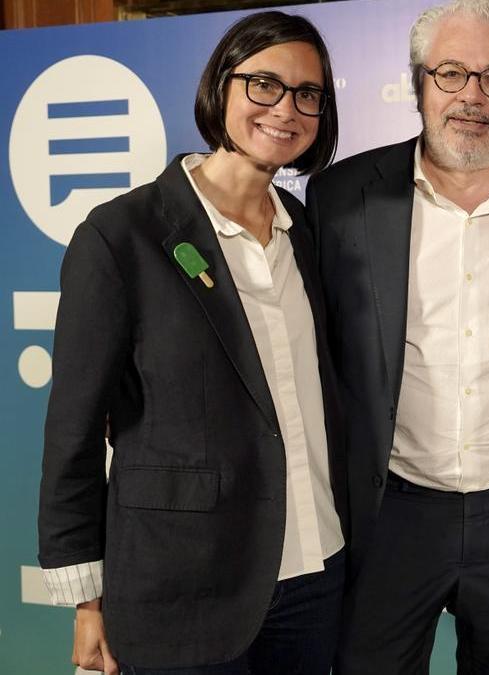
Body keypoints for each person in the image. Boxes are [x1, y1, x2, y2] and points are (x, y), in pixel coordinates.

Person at [37, 11, 346, 675]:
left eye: (307, 94)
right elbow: (74, 429)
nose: (284, 109)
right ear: (220, 89)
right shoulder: (122, 236)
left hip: (315, 571)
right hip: (184, 584)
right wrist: (87, 597)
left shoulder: (310, 235)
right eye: (263, 84)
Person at [303, 1, 489, 672]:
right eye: (451, 72)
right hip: (386, 510)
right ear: (419, 84)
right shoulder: (341, 198)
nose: (470, 95)